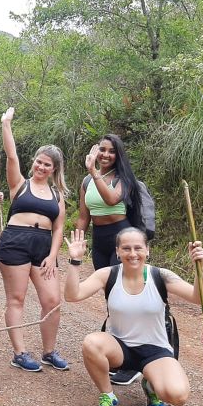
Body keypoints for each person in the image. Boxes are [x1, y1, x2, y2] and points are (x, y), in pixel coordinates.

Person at [64, 227, 203, 406]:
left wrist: (199, 267)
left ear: (147, 250)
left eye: (138, 248)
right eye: (126, 248)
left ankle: (151, 386)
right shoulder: (107, 275)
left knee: (178, 395)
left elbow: (202, 298)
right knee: (91, 343)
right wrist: (75, 261)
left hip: (155, 351)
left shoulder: (161, 276)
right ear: (117, 251)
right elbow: (72, 296)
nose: (132, 254)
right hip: (120, 348)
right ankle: (108, 396)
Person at [0, 107, 68, 372]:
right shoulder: (19, 184)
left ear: (53, 169)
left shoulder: (57, 195)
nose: (41, 166)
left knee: (52, 301)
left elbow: (59, 228)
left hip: (43, 246)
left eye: (47, 164)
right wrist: (7, 124)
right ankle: (20, 352)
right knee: (16, 299)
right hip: (15, 240)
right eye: (39, 161)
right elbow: (11, 155)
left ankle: (49, 351)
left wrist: (52, 255)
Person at [76, 134, 145, 386]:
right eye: (101, 150)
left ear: (118, 155)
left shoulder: (123, 179)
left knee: (128, 295)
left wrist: (94, 171)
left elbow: (112, 200)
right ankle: (120, 356)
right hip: (100, 241)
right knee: (111, 297)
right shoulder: (86, 181)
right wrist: (78, 240)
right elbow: (84, 216)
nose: (105, 155)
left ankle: (136, 359)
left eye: (111, 151)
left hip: (123, 238)